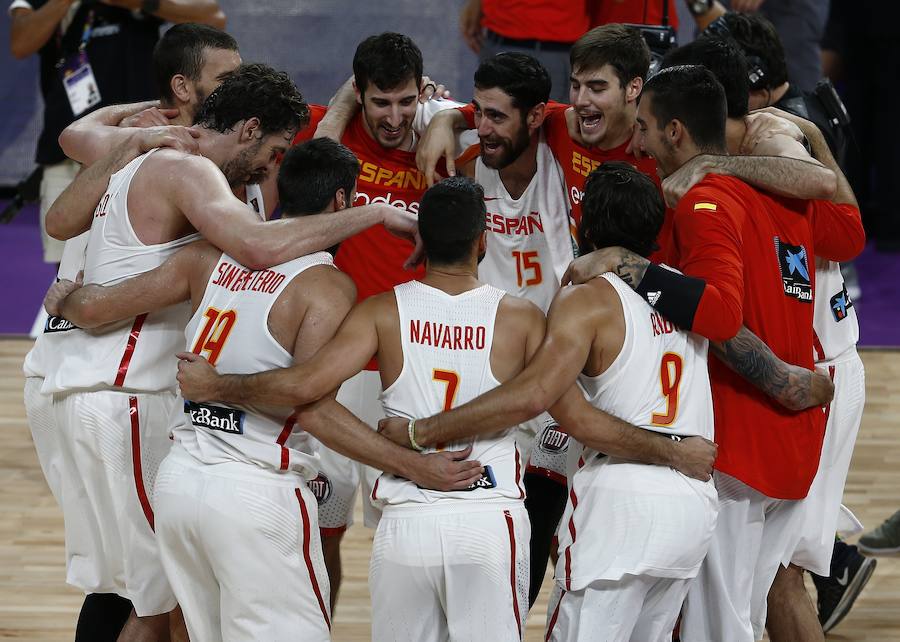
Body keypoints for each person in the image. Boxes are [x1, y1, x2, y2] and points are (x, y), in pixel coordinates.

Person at [44, 138, 484, 641]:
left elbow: (97, 308)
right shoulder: (325, 284)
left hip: (181, 482)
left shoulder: (208, 256)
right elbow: (311, 408)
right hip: (255, 491)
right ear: (342, 203)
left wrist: (66, 300)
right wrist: (413, 463)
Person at [569, 63, 864, 642]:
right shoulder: (786, 187)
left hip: (738, 450)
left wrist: (627, 263)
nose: (638, 141)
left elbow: (720, 315)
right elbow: (849, 232)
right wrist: (818, 147)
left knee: (715, 629)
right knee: (749, 617)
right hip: (794, 445)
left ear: (676, 131)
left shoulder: (705, 204)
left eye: (647, 128)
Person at [374, 163, 718, 641]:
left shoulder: (587, 300)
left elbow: (543, 397)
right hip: (691, 506)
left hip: (623, 500)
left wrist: (422, 431)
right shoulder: (685, 294)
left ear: (583, 225)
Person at [288, 32, 465, 607]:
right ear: (358, 95)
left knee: (416, 526)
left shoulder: (445, 139)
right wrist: (343, 99)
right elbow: (308, 148)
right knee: (324, 528)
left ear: (422, 92)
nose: (395, 117)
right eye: (380, 102)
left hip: (418, 367)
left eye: (407, 102)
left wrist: (448, 116)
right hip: (338, 366)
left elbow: (501, 113)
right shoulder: (327, 131)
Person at [8, 0, 225, 264]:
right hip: (67, 153)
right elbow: (20, 42)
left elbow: (214, 17)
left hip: (149, 149)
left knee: (145, 255)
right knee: (69, 263)